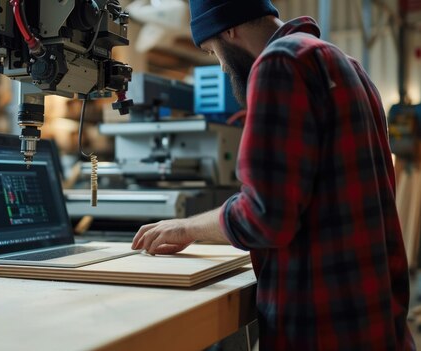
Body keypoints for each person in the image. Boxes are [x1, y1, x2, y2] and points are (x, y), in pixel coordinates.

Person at [131, 0, 415, 349]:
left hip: (323, 329)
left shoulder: (279, 63)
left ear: (229, 28)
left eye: (212, 50)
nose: (221, 66)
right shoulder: (348, 66)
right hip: (374, 320)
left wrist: (186, 228)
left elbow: (264, 216)